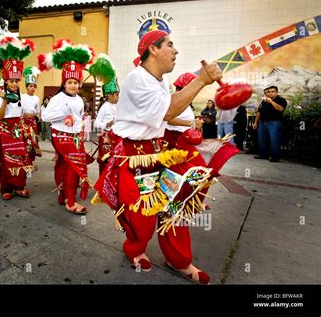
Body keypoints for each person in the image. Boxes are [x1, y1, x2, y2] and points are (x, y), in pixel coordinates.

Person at [92, 30, 223, 284]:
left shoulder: (158, 81)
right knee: (142, 215)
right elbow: (168, 109)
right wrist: (201, 80)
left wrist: (187, 121)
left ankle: (180, 260)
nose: (175, 51)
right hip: (133, 155)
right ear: (153, 49)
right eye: (170, 45)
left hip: (157, 153)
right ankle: (135, 249)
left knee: (174, 206)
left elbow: (165, 113)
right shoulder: (136, 79)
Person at [40, 39, 94, 215]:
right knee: (73, 167)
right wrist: (64, 115)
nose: (73, 85)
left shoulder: (78, 99)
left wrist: (80, 124)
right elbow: (46, 116)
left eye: (75, 82)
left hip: (75, 136)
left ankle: (63, 196)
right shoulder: (57, 99)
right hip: (62, 137)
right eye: (69, 82)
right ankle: (70, 201)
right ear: (64, 83)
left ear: (79, 84)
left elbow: (77, 118)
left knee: (64, 165)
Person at [0, 34, 35, 200]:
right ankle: (5, 188)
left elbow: (23, 113)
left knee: (19, 158)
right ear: (5, 81)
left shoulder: (22, 96)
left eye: (17, 80)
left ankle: (19, 186)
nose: (14, 84)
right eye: (11, 81)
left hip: (17, 129)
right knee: (4, 158)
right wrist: (3, 100)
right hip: (3, 128)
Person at [90, 54, 120, 175]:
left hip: (116, 136)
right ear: (109, 95)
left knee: (116, 162)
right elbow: (96, 123)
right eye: (116, 94)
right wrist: (108, 124)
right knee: (105, 161)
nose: (118, 96)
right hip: (106, 138)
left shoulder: (117, 106)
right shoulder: (105, 107)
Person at [253, 86, 287, 162]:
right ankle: (263, 154)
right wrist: (255, 122)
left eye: (273, 91)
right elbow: (259, 112)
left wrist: (271, 102)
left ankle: (275, 157)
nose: (270, 93)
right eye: (269, 92)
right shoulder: (264, 101)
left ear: (276, 92)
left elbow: (281, 109)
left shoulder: (281, 100)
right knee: (261, 139)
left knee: (274, 140)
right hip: (262, 122)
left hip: (274, 123)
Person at [21, 66, 42, 163]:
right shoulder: (22, 97)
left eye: (34, 86)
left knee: (33, 142)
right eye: (30, 86)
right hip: (23, 121)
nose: (32, 88)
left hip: (32, 122)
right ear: (26, 87)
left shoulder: (37, 98)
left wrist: (36, 118)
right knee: (24, 141)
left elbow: (37, 111)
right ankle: (24, 161)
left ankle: (30, 161)